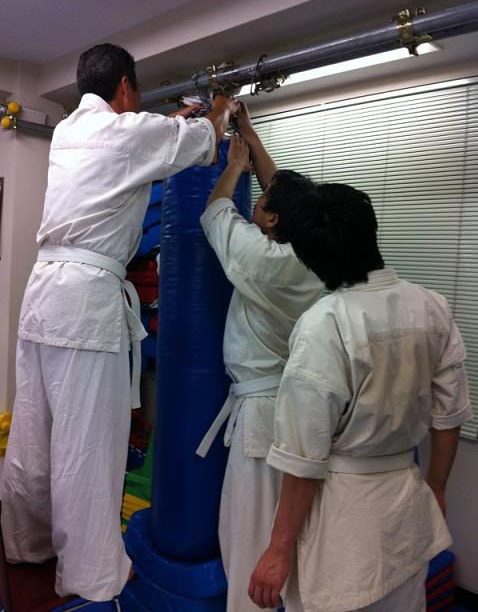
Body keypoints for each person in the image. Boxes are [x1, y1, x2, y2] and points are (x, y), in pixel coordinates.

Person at [1, 42, 238, 602]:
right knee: (87, 442)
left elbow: (139, 140)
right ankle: (91, 574)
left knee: (35, 430)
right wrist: (220, 109)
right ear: (126, 86)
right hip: (85, 302)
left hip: (43, 294)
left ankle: (26, 543)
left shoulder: (68, 131)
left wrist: (170, 121)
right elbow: (203, 143)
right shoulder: (129, 134)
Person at [248, 182, 473, 612]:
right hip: (407, 507)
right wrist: (436, 488)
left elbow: (304, 457)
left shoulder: (325, 324)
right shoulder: (432, 306)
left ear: (310, 257)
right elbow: (450, 416)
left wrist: (278, 549)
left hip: (343, 519)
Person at [197, 106, 324, 612]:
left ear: (271, 218)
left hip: (261, 416)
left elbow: (214, 214)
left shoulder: (262, 259)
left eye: (265, 200)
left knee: (249, 537)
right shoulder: (317, 258)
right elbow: (292, 203)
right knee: (288, 536)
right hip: (297, 409)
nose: (261, 197)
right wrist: (250, 134)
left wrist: (233, 167)